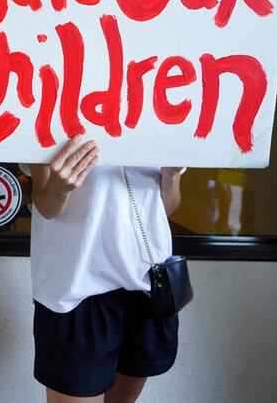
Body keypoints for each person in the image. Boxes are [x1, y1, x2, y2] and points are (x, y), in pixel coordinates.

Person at [22, 135, 185, 403]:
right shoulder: (52, 118)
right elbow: (46, 207)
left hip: (146, 288)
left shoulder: (156, 118)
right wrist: (59, 188)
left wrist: (171, 176)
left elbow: (165, 206)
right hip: (77, 292)